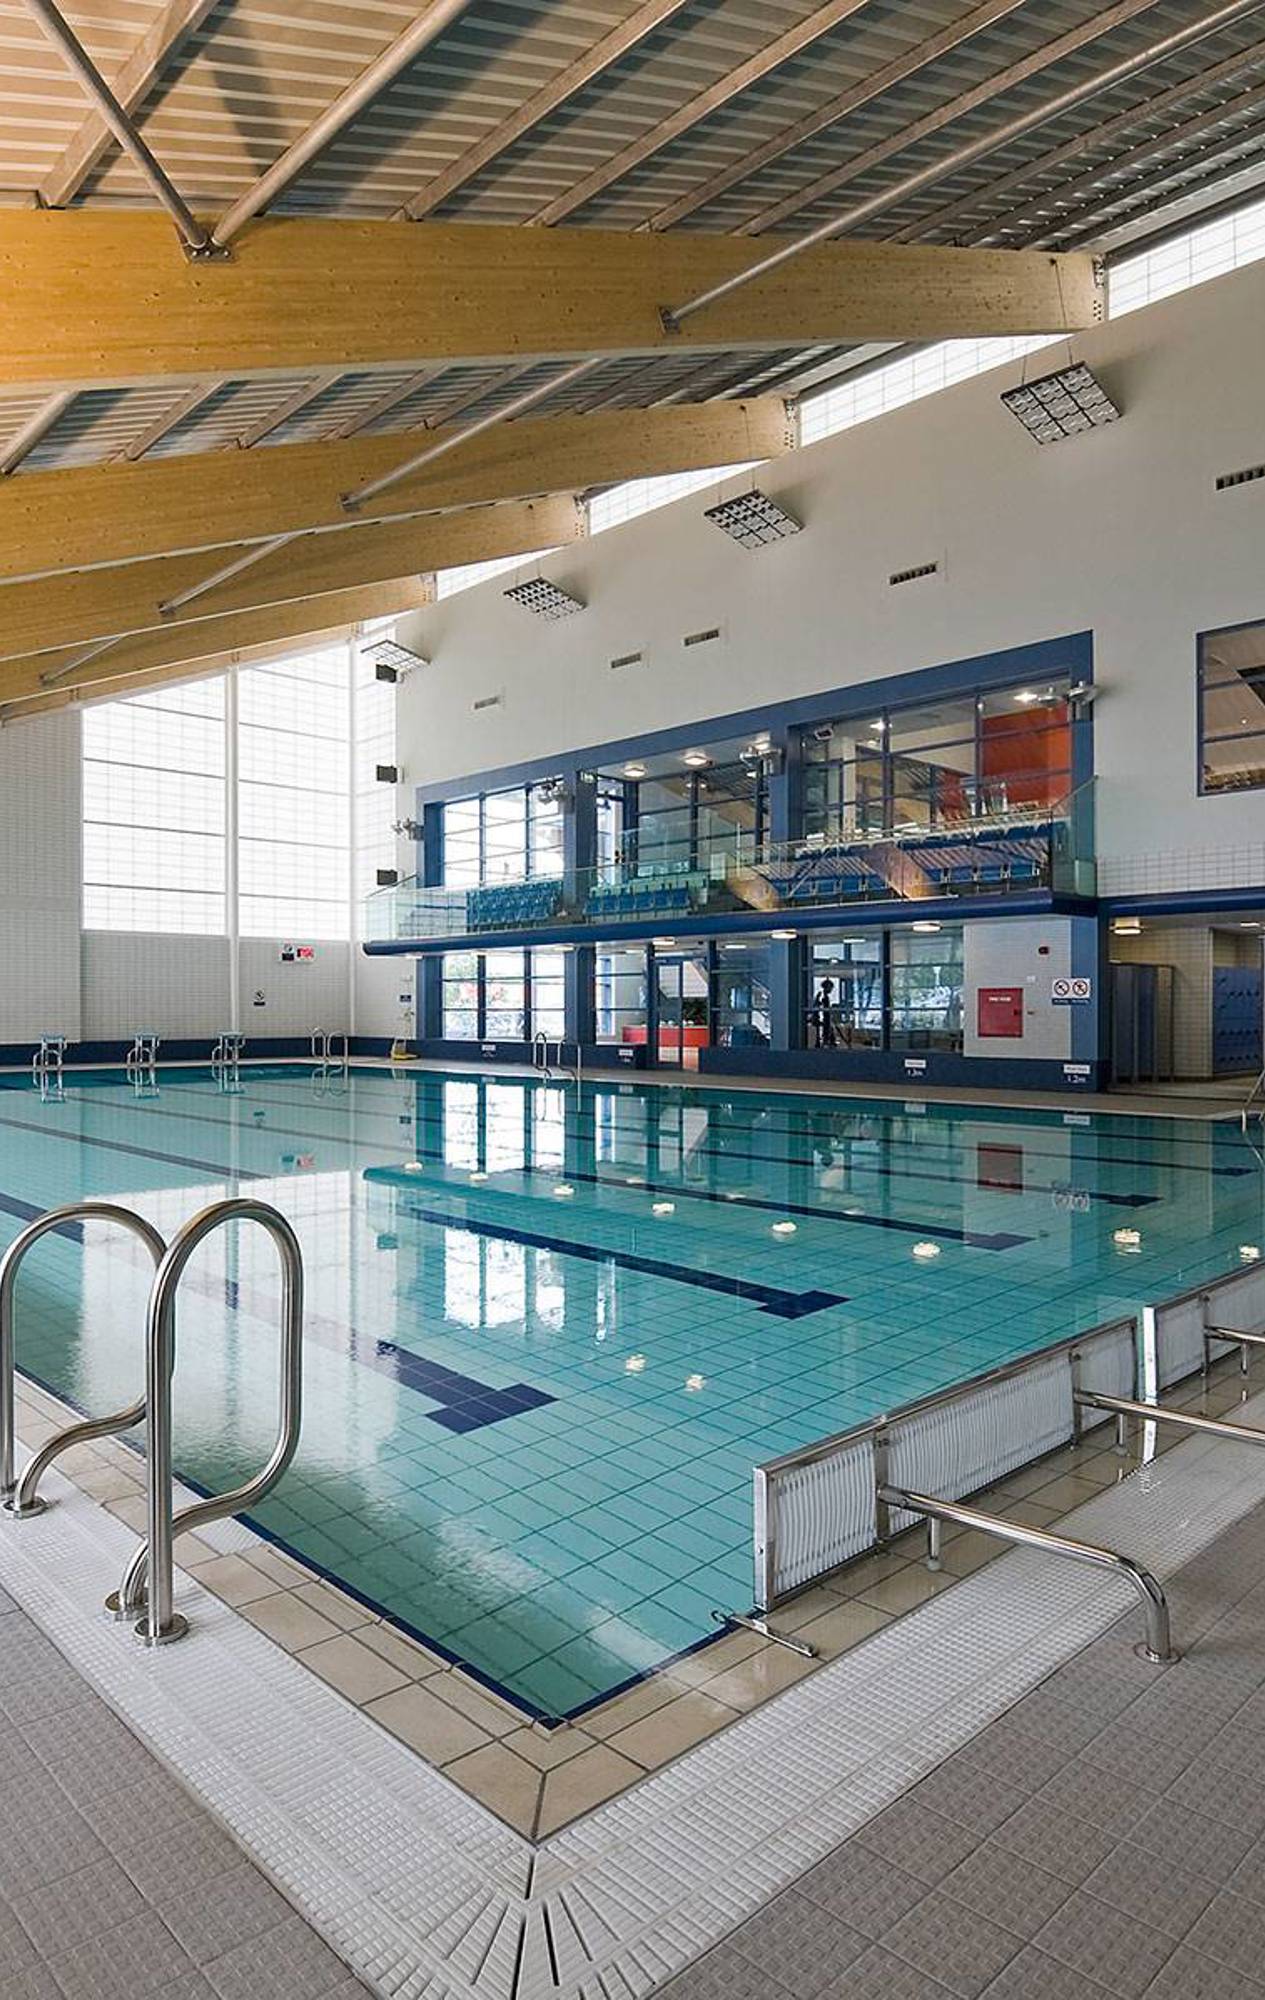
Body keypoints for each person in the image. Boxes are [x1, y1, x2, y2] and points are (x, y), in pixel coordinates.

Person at [811, 977, 838, 1048]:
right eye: (830, 988)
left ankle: (828, 1043)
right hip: (823, 1020)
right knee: (823, 1034)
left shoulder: (823, 995)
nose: (831, 990)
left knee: (828, 1033)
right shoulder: (822, 996)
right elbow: (821, 1008)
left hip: (825, 1019)